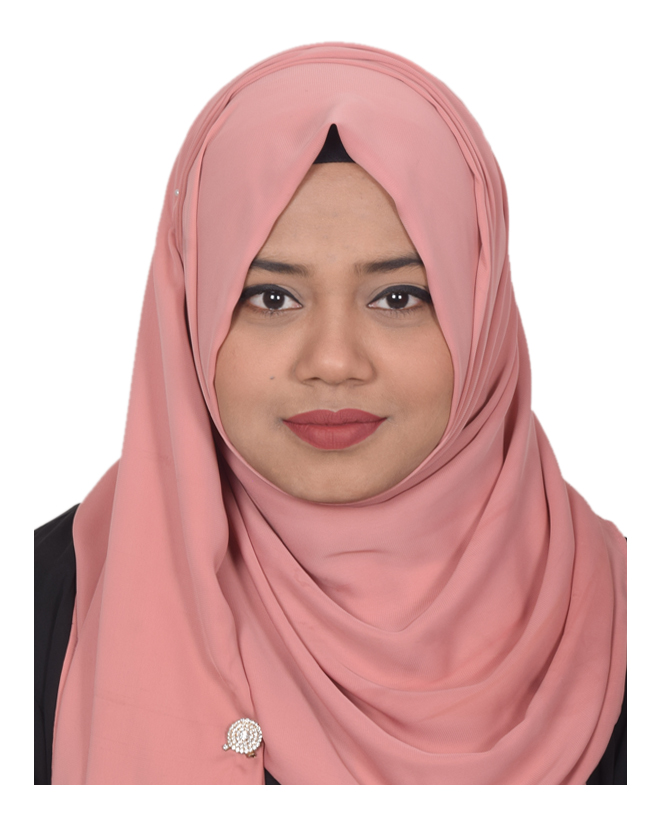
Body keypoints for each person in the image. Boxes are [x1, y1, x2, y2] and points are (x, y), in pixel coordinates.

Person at [34, 43, 626, 785]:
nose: (335, 361)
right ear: (190, 313)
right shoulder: (41, 604)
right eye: (271, 297)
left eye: (398, 297)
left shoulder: (626, 615)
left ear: (483, 318)